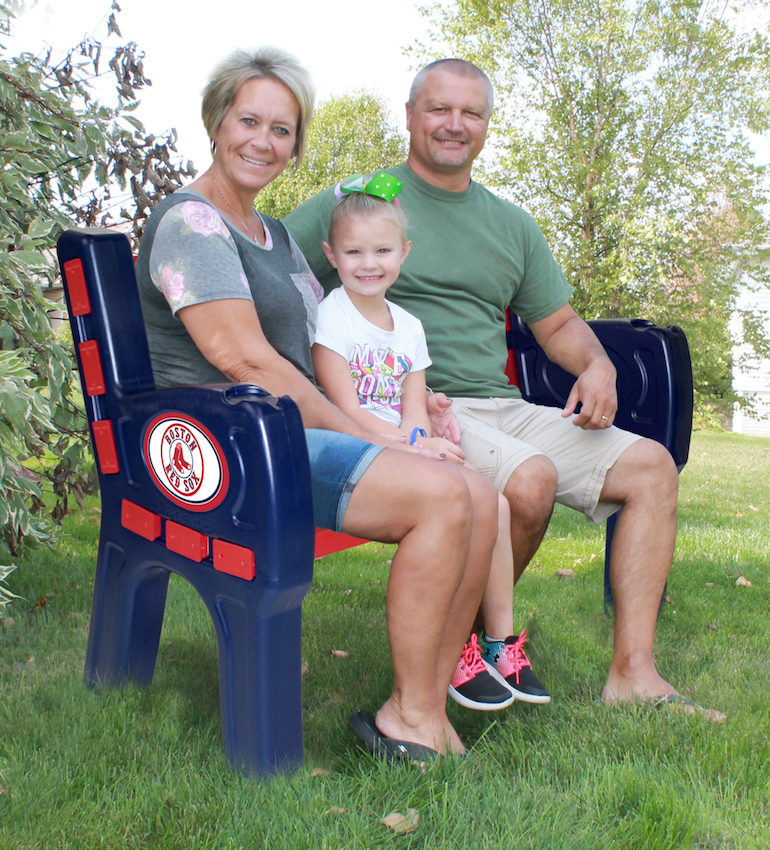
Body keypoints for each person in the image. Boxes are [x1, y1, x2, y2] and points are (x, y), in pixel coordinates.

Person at [285, 58, 725, 721]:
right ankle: (465, 650)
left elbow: (558, 323)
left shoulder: (510, 223)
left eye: (472, 113)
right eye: (439, 109)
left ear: (487, 126)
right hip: (417, 407)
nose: (454, 125)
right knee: (529, 481)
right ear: (410, 116)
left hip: (504, 404)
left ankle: (633, 674)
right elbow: (271, 269)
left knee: (651, 468)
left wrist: (597, 365)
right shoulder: (361, 204)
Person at [135, 46, 506, 761]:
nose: (263, 141)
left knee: (480, 494)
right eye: (249, 120)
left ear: (296, 144)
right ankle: (416, 716)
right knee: (441, 497)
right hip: (225, 442)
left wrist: (412, 405)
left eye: (282, 129)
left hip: (283, 431)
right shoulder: (192, 223)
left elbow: (323, 348)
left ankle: (420, 703)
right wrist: (376, 441)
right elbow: (242, 358)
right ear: (216, 121)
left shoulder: (271, 235)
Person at [311, 174, 549, 708]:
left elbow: (413, 402)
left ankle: (497, 643)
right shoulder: (332, 316)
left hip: (405, 443)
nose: (368, 263)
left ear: (404, 253)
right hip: (360, 445)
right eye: (353, 251)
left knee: (496, 502)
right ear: (331, 254)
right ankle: (452, 652)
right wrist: (415, 448)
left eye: (382, 250)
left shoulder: (410, 327)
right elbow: (344, 408)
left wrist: (423, 438)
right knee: (458, 498)